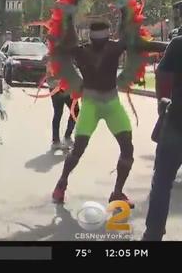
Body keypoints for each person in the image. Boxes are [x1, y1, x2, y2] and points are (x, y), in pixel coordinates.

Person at [52, 19, 168, 206]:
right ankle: (62, 183)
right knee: (78, 149)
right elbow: (58, 52)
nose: (100, 44)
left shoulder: (104, 49)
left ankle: (117, 192)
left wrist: (172, 45)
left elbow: (145, 45)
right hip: (91, 104)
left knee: (127, 148)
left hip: (111, 104)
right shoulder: (86, 51)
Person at [143, 36, 182, 240]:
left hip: (176, 122)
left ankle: (154, 232)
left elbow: (162, 76)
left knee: (162, 180)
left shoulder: (178, 44)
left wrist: (163, 104)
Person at [46, 58, 79, 150]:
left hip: (69, 91)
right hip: (57, 90)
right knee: (58, 113)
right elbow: (49, 80)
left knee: (75, 111)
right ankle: (56, 141)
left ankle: (67, 136)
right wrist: (60, 83)